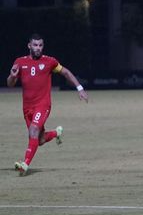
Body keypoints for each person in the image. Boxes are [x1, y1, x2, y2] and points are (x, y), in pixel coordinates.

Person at [7, 34, 89, 176]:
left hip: (43, 105)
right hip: (27, 108)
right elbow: (10, 84)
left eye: (40, 45)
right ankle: (56, 132)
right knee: (40, 140)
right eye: (35, 45)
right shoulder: (19, 62)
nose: (38, 48)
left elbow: (66, 73)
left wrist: (79, 88)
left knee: (33, 130)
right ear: (29, 46)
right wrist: (13, 76)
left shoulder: (49, 62)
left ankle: (25, 164)